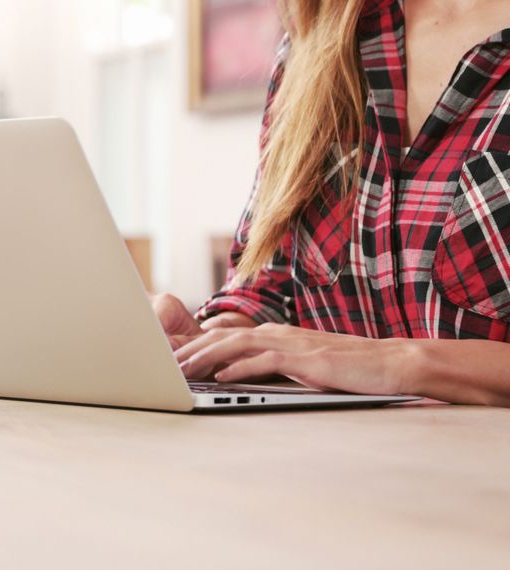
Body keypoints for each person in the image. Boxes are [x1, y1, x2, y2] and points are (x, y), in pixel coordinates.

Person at [154, 0, 510, 406]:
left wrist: (401, 363)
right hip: (320, 456)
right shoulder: (319, 33)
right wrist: (213, 339)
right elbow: (270, 287)